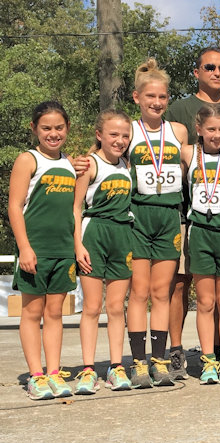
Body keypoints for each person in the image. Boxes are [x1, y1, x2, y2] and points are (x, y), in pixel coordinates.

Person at [165, 46, 220, 379]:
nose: (217, 72)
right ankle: (177, 350)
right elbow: (150, 145)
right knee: (182, 288)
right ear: (197, 71)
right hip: (191, 219)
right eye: (210, 67)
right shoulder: (180, 109)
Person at [9, 101, 77, 400]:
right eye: (46, 128)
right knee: (31, 312)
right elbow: (14, 206)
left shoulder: (70, 163)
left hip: (63, 250)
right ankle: (35, 376)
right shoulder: (28, 159)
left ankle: (53, 371)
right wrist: (24, 247)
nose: (53, 133)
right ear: (34, 129)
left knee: (54, 313)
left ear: (67, 129)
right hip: (35, 249)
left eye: (59, 128)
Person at [127, 58, 188, 387]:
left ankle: (160, 360)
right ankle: (137, 362)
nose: (157, 103)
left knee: (162, 292)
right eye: (150, 97)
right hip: (139, 214)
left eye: (163, 97)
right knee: (139, 292)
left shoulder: (177, 131)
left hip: (169, 215)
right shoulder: (129, 130)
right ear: (137, 98)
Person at [73, 109, 134, 393]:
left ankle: (116, 366)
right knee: (92, 307)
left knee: (116, 308)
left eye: (124, 135)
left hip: (122, 235)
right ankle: (88, 369)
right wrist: (78, 244)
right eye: (113, 134)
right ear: (99, 135)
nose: (120, 140)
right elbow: (75, 208)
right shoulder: (89, 165)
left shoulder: (127, 165)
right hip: (94, 232)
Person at [181, 105, 220, 384]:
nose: (217, 135)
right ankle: (208, 361)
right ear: (199, 130)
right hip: (201, 233)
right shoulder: (187, 154)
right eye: (211, 129)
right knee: (205, 302)